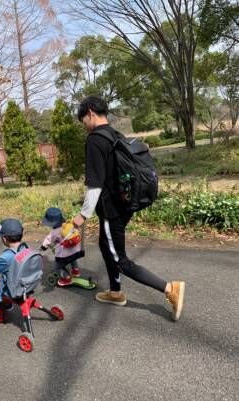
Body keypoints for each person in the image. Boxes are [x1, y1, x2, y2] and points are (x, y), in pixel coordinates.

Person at [73, 96, 185, 321]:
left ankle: (170, 288)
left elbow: (94, 183)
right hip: (125, 204)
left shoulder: (95, 139)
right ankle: (115, 292)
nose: (83, 124)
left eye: (83, 119)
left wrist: (82, 215)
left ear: (91, 113)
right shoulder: (114, 134)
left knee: (119, 259)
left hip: (111, 209)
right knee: (106, 246)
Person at [41, 207, 84, 286]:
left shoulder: (55, 232)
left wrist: (43, 246)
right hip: (76, 250)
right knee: (72, 259)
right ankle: (76, 270)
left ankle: (66, 278)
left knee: (57, 267)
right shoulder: (69, 225)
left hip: (64, 255)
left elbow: (49, 239)